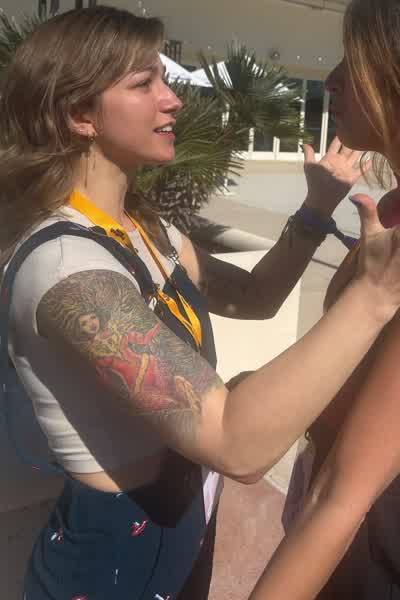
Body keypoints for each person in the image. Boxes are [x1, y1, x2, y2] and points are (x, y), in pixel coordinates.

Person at [2, 5, 400, 600]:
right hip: (111, 561)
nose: (174, 101)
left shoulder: (146, 230)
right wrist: (371, 297)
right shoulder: (67, 270)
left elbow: (253, 298)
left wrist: (316, 208)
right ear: (81, 115)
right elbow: (234, 443)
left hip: (182, 525)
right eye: (145, 83)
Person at [249, 1, 400, 598]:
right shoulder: (387, 213)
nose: (333, 80)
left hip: (367, 540)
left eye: (354, 62)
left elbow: (343, 493)